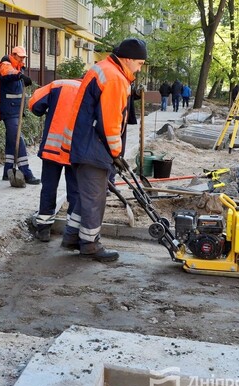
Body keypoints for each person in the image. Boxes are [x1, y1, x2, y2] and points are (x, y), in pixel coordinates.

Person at [61, 38, 147, 262]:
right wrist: (117, 153)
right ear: (127, 59)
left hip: (83, 143)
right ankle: (90, 244)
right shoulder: (115, 78)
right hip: (94, 147)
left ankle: (72, 235)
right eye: (139, 63)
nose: (139, 68)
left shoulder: (104, 69)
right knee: (95, 198)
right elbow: (110, 122)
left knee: (85, 196)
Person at [28, 79, 81, 242]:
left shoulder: (58, 85)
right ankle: (72, 233)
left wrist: (47, 110)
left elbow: (34, 104)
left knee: (49, 188)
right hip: (75, 150)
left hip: (52, 148)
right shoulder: (89, 89)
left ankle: (43, 229)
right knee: (75, 191)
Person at [0, 46, 40, 185]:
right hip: (9, 110)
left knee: (11, 140)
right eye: (20, 57)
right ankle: (26, 172)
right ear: (13, 55)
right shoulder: (6, 64)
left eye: (23, 57)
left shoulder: (19, 67)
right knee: (17, 139)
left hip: (16, 110)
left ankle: (7, 171)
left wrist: (21, 73)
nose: (22, 59)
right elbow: (9, 73)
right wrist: (20, 75)